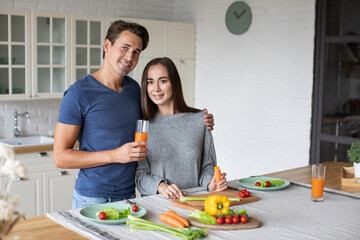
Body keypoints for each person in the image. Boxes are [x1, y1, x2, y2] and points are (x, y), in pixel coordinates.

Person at [53, 20, 214, 209]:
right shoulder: (79, 93)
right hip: (93, 198)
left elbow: (163, 115)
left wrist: (197, 117)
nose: (129, 56)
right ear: (107, 46)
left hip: (131, 196)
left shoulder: (134, 90)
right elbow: (60, 157)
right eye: (125, 47)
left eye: (136, 51)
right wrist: (115, 156)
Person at [135, 57, 227, 199]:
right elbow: (140, 176)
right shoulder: (143, 127)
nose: (156, 88)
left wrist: (211, 183)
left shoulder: (200, 120)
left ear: (174, 83)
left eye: (163, 81)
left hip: (195, 203)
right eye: (150, 82)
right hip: (158, 205)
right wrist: (162, 187)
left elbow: (207, 166)